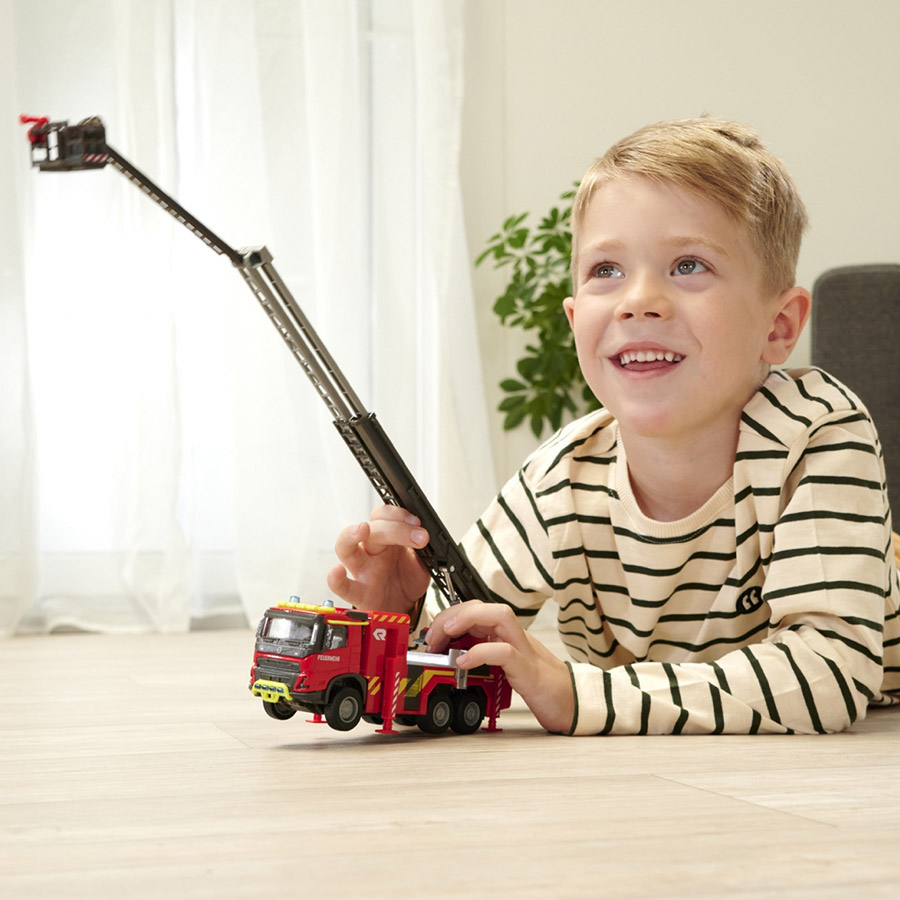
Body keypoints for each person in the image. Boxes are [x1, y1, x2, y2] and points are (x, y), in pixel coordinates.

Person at [327, 118, 900, 735]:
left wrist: (572, 692)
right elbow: (465, 637)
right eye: (606, 270)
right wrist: (404, 614)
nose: (638, 300)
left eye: (688, 265)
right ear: (576, 320)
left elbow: (829, 677)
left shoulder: (817, 433)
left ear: (779, 327)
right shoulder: (562, 476)